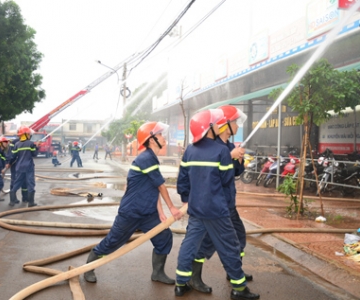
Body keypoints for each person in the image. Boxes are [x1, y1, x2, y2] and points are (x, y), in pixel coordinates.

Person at [83, 121, 184, 285]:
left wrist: (159, 211)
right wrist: (172, 207)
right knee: (113, 242)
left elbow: (153, 187)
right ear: (152, 140)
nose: (163, 137)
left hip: (148, 213)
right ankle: (88, 269)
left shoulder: (151, 158)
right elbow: (161, 186)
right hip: (131, 212)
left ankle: (157, 273)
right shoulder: (146, 158)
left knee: (164, 237)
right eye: (160, 134)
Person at [174, 109, 259, 299]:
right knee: (229, 246)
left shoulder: (190, 150)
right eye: (216, 123)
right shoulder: (221, 151)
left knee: (189, 244)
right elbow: (227, 181)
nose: (220, 124)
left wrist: (189, 199)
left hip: (196, 208)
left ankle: (180, 283)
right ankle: (239, 288)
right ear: (210, 128)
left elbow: (182, 181)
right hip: (216, 210)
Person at [9, 126, 39, 207]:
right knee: (30, 183)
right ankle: (31, 202)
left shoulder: (17, 144)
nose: (30, 136)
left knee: (17, 182)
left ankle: (12, 201)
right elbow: (34, 154)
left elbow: (13, 156)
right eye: (29, 134)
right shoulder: (31, 144)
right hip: (28, 167)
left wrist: (9, 163)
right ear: (25, 135)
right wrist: (37, 146)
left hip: (19, 167)